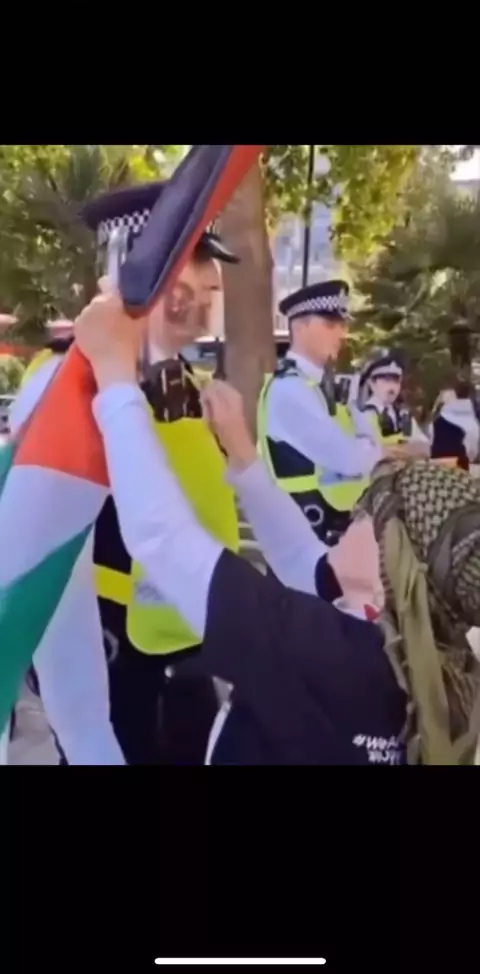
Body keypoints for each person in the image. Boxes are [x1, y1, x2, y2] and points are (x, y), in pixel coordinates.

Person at [74, 291, 480, 765]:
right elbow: (300, 558)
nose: (358, 510)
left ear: (393, 565)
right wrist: (242, 453)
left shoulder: (313, 649)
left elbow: (163, 537)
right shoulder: (425, 659)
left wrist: (115, 377)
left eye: (373, 510)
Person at [9, 181, 242, 766]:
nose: (205, 306)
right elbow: (35, 543)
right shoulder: (64, 381)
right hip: (109, 643)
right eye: (189, 287)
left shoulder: (191, 385)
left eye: (211, 290)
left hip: (189, 637)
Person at [257, 281, 413, 546]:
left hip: (323, 526)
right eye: (330, 324)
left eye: (343, 324)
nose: (342, 333)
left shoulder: (316, 385)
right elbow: (348, 458)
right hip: (303, 534)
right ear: (300, 327)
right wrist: (378, 450)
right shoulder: (291, 389)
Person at [355, 349, 430, 453]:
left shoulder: (403, 415)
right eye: (386, 380)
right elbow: (366, 452)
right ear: (371, 383)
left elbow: (425, 447)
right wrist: (406, 449)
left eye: (396, 381)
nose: (392, 387)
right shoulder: (362, 414)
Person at [430, 380, 480, 471]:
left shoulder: (442, 414)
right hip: (459, 464)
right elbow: (473, 448)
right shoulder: (472, 417)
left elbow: (429, 437)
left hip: (437, 462)